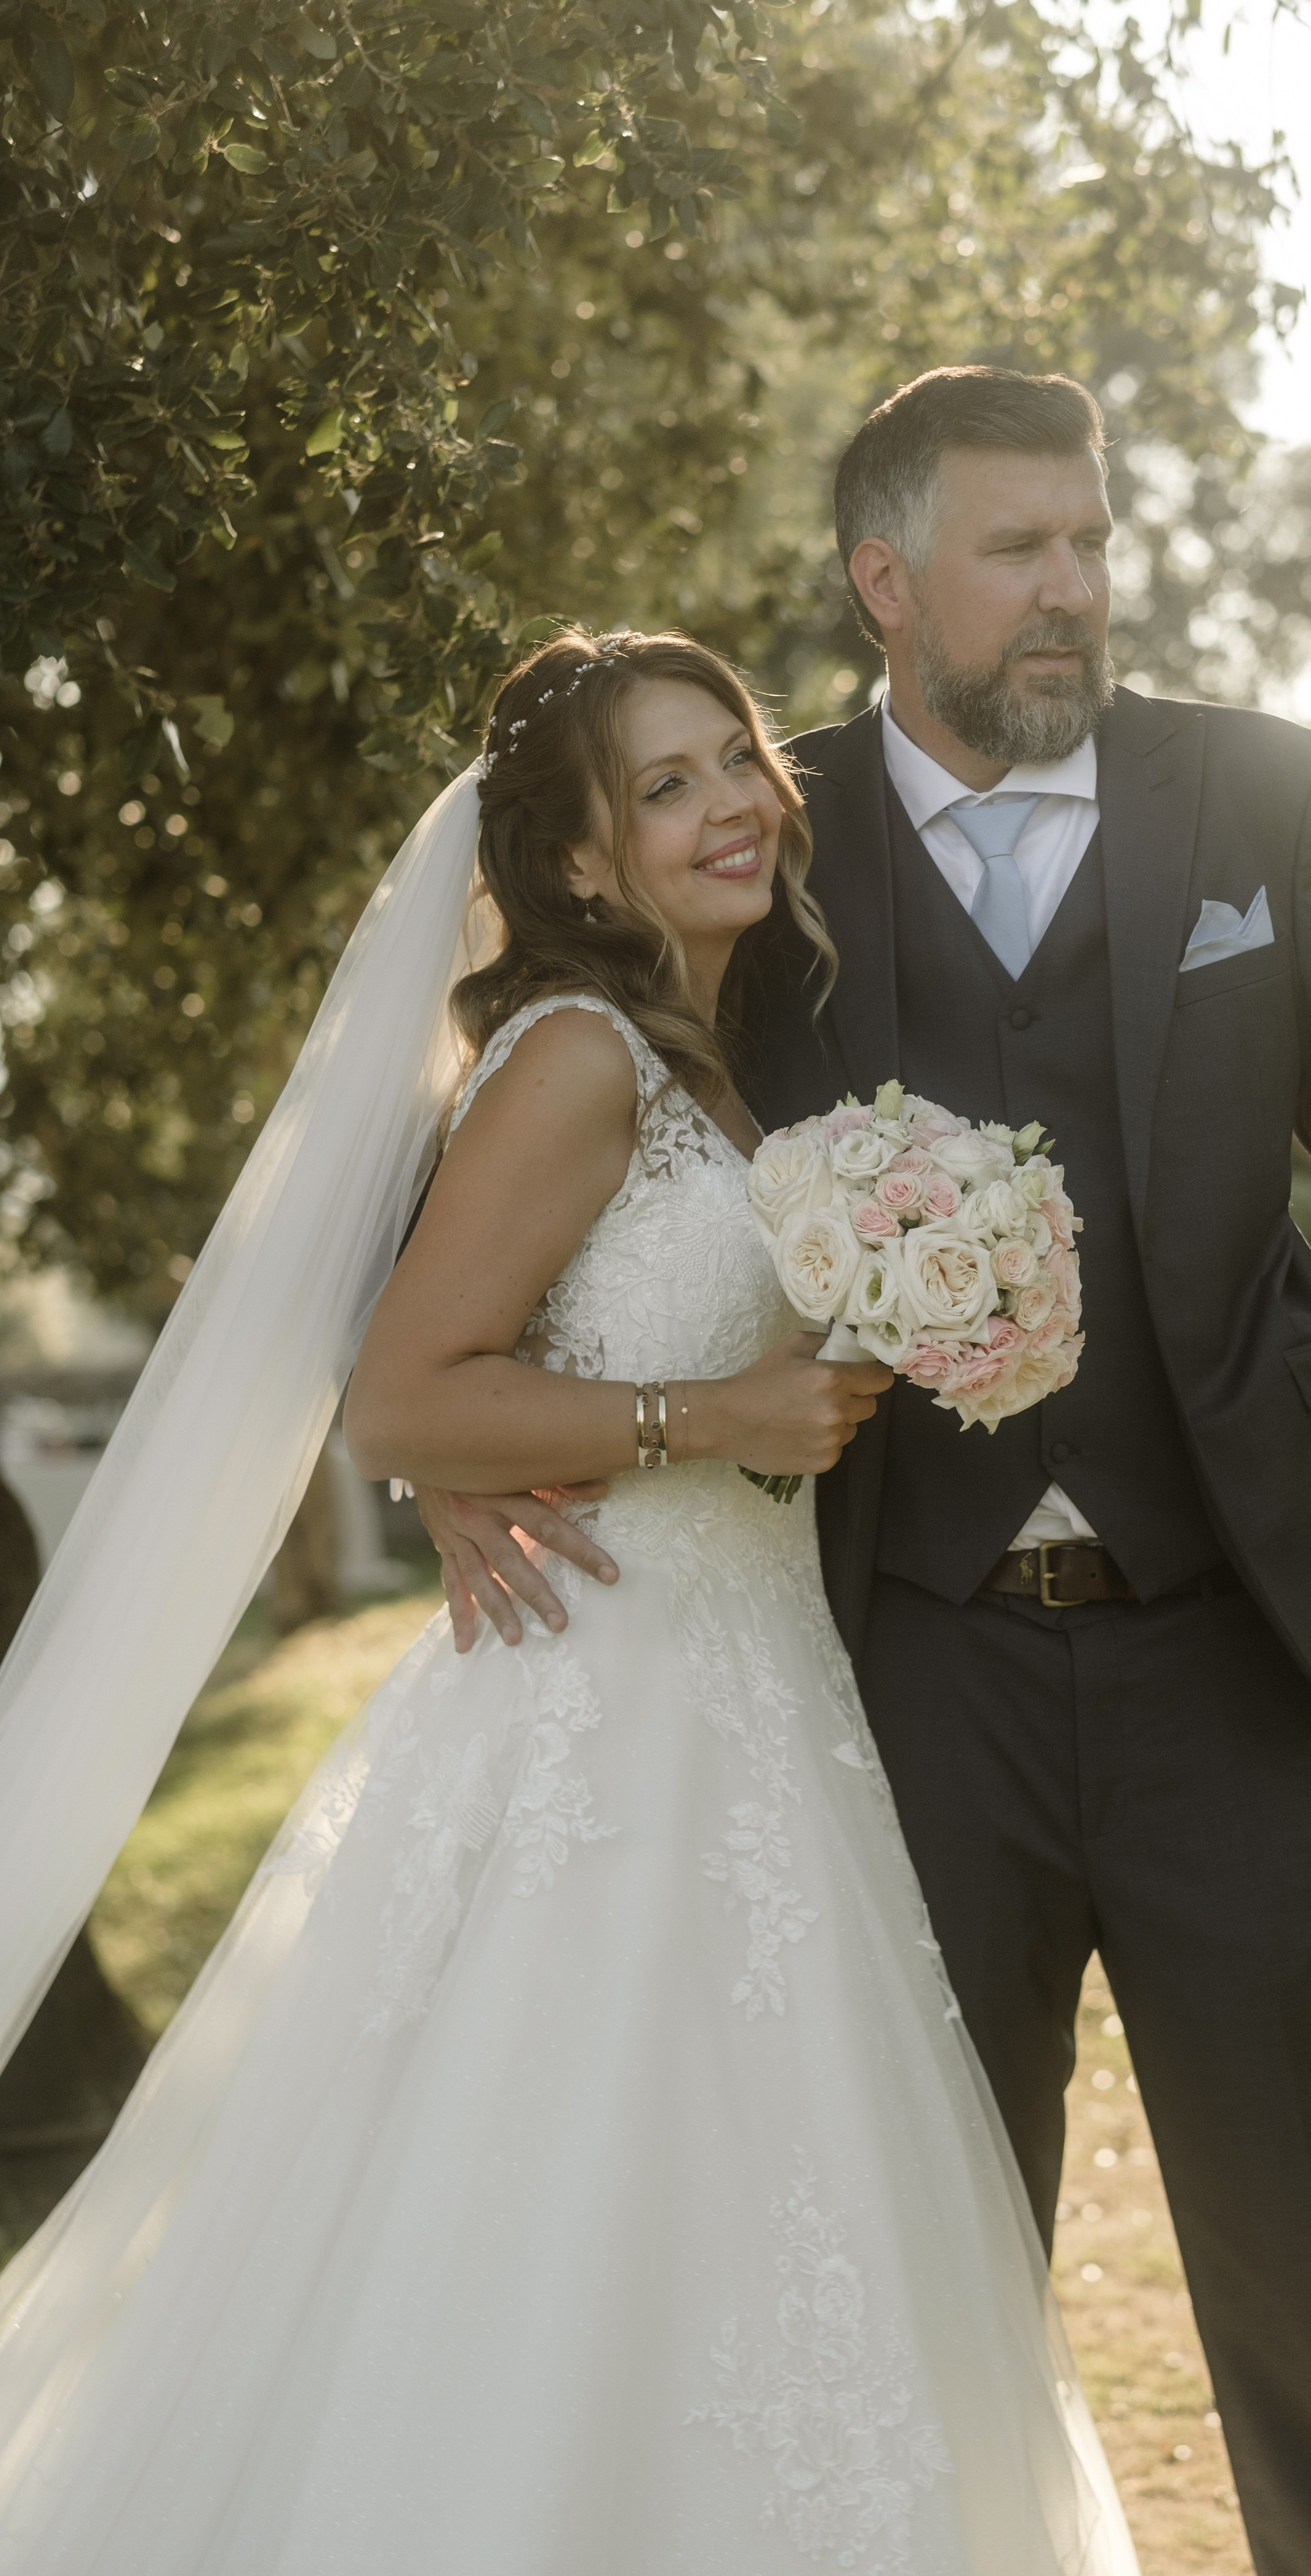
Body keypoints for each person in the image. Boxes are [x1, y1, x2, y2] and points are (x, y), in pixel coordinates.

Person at [423, 370, 1311, 2576]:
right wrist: (462, 1441)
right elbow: (535, 1121)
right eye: (1020, 550)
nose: (1072, 587)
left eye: (1092, 540)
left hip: (1234, 1645)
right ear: (886, 582)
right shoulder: (755, 828)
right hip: (896, 1668)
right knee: (916, 2268)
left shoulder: (1265, 793)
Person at [0, 630, 1139, 2573]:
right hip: (601, 1715)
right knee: (571, 2201)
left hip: (754, 1701)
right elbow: (399, 1398)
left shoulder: (712, 1058)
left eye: (738, 759)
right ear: (585, 861)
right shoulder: (579, 1056)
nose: (732, 806)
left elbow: (489, 1350)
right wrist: (716, 1414)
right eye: (665, 787)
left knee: (761, 2219)